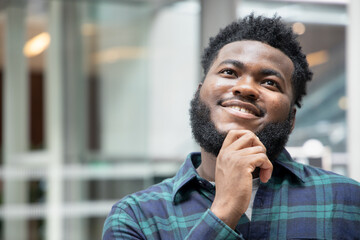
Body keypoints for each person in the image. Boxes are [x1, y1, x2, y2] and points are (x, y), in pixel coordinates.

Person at [102, 14, 360, 240]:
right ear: (199, 95)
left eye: (270, 82)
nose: (245, 88)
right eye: (228, 72)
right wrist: (223, 212)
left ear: (291, 120)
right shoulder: (135, 218)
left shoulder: (349, 201)